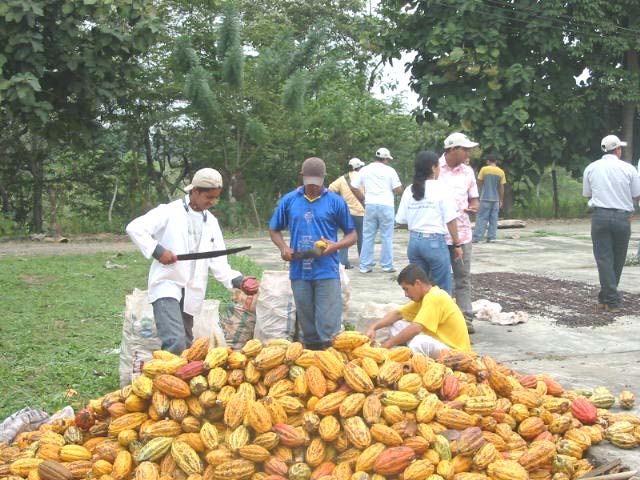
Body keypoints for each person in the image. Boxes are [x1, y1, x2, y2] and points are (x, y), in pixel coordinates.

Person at [126, 168, 259, 354]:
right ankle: (168, 381)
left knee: (187, 346)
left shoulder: (211, 222)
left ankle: (180, 381)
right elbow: (135, 228)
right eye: (209, 197)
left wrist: (240, 281)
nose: (212, 202)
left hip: (191, 290)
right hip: (167, 284)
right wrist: (158, 251)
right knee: (175, 341)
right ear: (195, 191)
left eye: (216, 198)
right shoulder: (169, 212)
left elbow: (219, 263)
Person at [269, 157, 357, 350]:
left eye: (317, 184)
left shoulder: (335, 202)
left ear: (324, 179)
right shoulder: (289, 201)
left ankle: (331, 359)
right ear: (302, 177)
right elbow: (274, 229)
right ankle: (311, 360)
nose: (313, 187)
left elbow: (352, 235)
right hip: (299, 270)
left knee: (328, 326)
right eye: (309, 183)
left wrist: (335, 246)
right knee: (307, 327)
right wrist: (284, 248)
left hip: (326, 270)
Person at [582, 134, 640, 313]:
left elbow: (587, 194)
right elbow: (637, 195)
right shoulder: (629, 169)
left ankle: (604, 297)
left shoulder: (591, 168)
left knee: (604, 259)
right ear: (618, 150)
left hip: (600, 217)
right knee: (618, 259)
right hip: (623, 218)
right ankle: (613, 301)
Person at [365, 264, 471, 358]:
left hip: (456, 353)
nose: (405, 294)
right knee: (396, 324)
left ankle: (416, 361)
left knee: (417, 343)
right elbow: (398, 314)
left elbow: (416, 328)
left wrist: (387, 345)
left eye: (406, 289)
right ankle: (409, 353)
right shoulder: (425, 297)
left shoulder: (434, 297)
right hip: (440, 342)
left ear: (417, 283)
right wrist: (373, 328)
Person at [395, 151, 463, 295]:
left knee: (418, 287)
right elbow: (451, 220)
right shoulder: (441, 188)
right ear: (433, 168)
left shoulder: (409, 189)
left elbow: (401, 220)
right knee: (442, 287)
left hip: (414, 242)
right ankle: (441, 317)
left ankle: (422, 316)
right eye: (438, 166)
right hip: (434, 242)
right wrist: (457, 244)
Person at [438, 132, 480, 333]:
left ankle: (465, 318)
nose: (468, 152)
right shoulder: (435, 168)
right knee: (438, 278)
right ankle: (441, 318)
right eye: (465, 148)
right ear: (453, 149)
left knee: (462, 277)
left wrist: (474, 207)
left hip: (462, 233)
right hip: (437, 233)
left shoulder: (468, 172)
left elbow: (474, 199)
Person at [351, 147, 403, 274]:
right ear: (385, 158)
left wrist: (363, 199)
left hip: (370, 204)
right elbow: (398, 190)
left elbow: (353, 186)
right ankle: (387, 265)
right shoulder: (390, 171)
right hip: (386, 205)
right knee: (387, 236)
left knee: (368, 236)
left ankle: (365, 266)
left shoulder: (365, 169)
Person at [328, 157, 366, 269]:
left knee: (347, 236)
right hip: (360, 212)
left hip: (346, 212)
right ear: (359, 167)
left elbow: (330, 189)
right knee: (360, 237)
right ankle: (364, 260)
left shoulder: (342, 178)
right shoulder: (363, 178)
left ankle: (343, 261)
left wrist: (339, 202)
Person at [473, 153, 507, 243]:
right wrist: (501, 200)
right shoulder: (501, 172)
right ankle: (492, 237)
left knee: (481, 218)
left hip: (485, 198)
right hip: (495, 199)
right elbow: (501, 187)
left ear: (488, 161)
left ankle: (478, 238)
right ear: (496, 161)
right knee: (494, 219)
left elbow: (479, 181)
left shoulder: (484, 169)